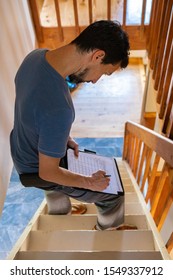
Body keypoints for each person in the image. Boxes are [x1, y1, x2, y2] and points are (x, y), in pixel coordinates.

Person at [10, 20, 136, 230]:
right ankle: (107, 231)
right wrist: (90, 183)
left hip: (20, 147)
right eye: (104, 72)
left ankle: (60, 213)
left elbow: (31, 107)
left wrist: (61, 138)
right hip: (35, 168)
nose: (96, 81)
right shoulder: (60, 109)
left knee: (58, 169)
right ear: (98, 56)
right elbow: (48, 173)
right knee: (112, 195)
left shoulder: (34, 57)